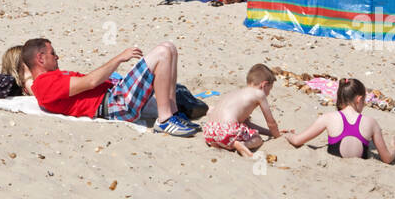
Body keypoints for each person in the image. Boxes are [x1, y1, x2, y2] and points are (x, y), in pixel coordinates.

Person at [23, 36, 198, 136]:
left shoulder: (52, 78)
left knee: (169, 47)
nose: (57, 57)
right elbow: (91, 81)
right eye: (53, 53)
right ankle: (165, 120)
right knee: (162, 51)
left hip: (115, 94)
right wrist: (120, 57)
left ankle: (173, 113)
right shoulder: (45, 84)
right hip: (114, 103)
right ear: (40, 58)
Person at [284, 78, 395, 163]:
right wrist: (394, 149)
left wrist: (288, 135)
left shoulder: (328, 117)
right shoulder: (371, 122)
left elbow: (297, 141)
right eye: (364, 101)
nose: (364, 105)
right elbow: (387, 159)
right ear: (359, 99)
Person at [202, 64, 282, 156]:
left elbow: (248, 124)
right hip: (227, 132)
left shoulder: (235, 93)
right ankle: (243, 144)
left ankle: (224, 143)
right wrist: (278, 136)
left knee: (241, 130)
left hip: (210, 132)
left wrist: (269, 133)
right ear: (264, 85)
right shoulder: (259, 94)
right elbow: (271, 123)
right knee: (257, 138)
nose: (268, 93)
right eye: (270, 89)